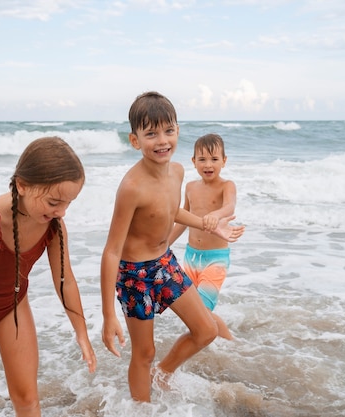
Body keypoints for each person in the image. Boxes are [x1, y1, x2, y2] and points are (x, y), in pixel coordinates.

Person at [100, 91, 244, 402]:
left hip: (165, 263)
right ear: (135, 140)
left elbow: (169, 210)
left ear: (178, 130)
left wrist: (205, 222)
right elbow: (112, 250)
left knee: (205, 330)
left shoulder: (177, 171)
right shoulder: (131, 187)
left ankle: (163, 373)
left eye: (168, 130)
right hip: (134, 274)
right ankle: (142, 408)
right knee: (144, 351)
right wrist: (107, 314)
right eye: (151, 133)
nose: (162, 140)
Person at [0, 137, 96, 417]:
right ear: (23, 185)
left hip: (12, 305)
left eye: (68, 203)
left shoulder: (54, 224)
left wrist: (82, 332)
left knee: (27, 398)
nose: (61, 212)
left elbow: (66, 281)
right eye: (54, 202)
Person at [168, 133, 236, 340]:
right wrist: (163, 244)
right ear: (194, 162)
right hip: (191, 257)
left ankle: (230, 344)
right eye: (202, 159)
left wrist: (215, 215)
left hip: (215, 258)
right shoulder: (190, 187)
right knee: (194, 309)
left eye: (214, 159)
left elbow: (229, 207)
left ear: (224, 161)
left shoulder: (227, 186)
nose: (208, 164)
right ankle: (209, 343)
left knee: (204, 311)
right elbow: (183, 220)